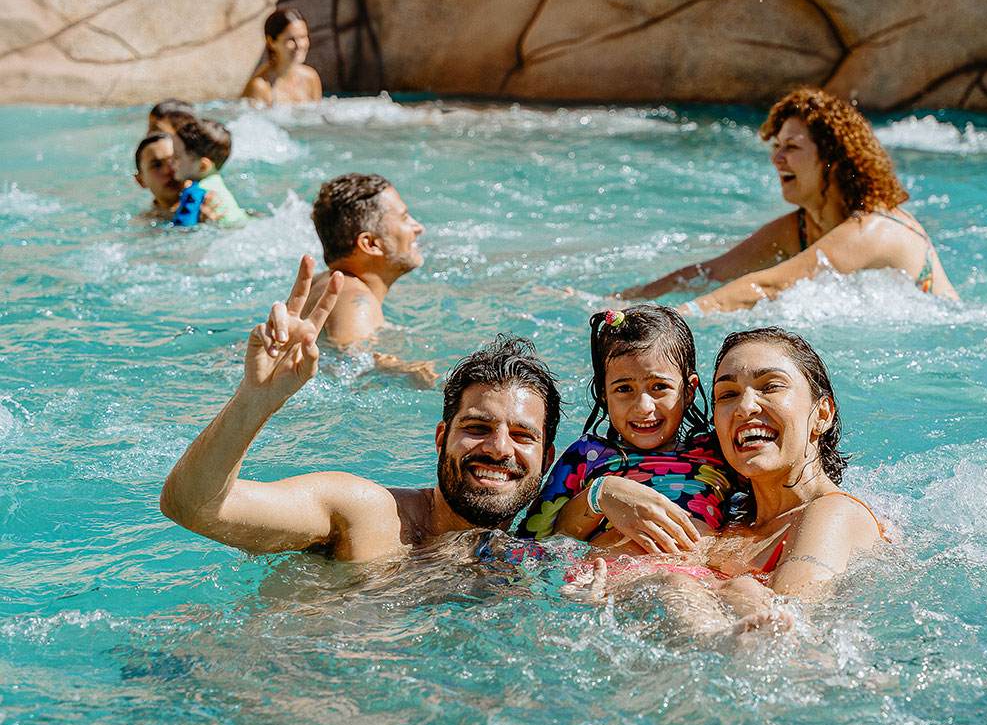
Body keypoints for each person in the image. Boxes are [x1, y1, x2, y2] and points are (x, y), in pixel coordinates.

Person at [160, 257, 561, 562]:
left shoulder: (552, 544)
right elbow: (194, 508)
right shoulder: (363, 513)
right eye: (477, 427)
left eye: (523, 435)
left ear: (547, 459)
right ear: (441, 438)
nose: (498, 448)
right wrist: (254, 400)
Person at [621, 86, 958, 310]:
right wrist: (624, 302)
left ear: (833, 159)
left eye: (792, 147)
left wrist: (671, 323)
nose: (777, 158)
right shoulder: (801, 226)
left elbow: (769, 286)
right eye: (777, 146)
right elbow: (711, 273)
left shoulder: (872, 231)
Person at [519, 305, 740, 552]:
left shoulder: (718, 452)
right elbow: (536, 538)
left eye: (659, 387)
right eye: (624, 389)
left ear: (688, 391)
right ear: (604, 395)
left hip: (695, 577)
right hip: (609, 574)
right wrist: (596, 496)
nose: (643, 407)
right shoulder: (588, 455)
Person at [705, 327, 885, 603]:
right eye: (727, 394)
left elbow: (790, 626)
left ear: (822, 414)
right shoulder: (728, 520)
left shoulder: (831, 512)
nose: (744, 407)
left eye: (771, 386)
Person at [304, 173, 426, 352]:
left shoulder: (322, 283)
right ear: (370, 244)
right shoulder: (356, 303)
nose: (418, 228)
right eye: (405, 218)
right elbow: (351, 363)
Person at [171, 117, 250, 226]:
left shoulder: (196, 192)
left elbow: (181, 229)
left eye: (177, 156)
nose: (170, 161)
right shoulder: (216, 184)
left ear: (203, 166)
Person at [241, 8, 322, 106]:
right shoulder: (260, 87)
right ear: (271, 42)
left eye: (303, 37)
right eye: (291, 39)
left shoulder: (311, 78)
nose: (299, 45)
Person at [133, 132, 183, 218]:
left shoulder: (211, 195)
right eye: (156, 165)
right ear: (141, 180)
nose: (168, 170)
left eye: (174, 159)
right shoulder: (146, 225)